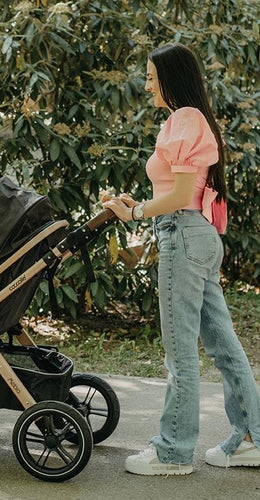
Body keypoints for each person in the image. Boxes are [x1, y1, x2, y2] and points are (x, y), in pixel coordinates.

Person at [102, 43, 260, 475]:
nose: (147, 83)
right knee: (224, 344)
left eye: (152, 76)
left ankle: (173, 452)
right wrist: (140, 205)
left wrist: (134, 212)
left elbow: (175, 196)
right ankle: (251, 439)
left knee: (180, 353)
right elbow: (178, 191)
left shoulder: (184, 118)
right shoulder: (192, 119)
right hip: (198, 234)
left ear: (170, 78)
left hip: (184, 236)